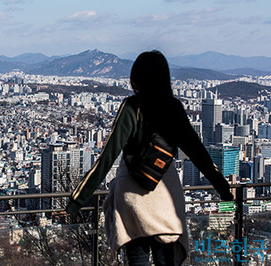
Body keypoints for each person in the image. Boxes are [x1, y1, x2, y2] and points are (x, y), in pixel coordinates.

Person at [66, 50, 233, 265]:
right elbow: (199, 154)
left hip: (132, 195)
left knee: (137, 260)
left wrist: (76, 201)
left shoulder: (132, 107)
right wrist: (224, 189)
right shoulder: (174, 108)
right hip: (166, 195)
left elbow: (107, 156)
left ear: (137, 77)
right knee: (166, 260)